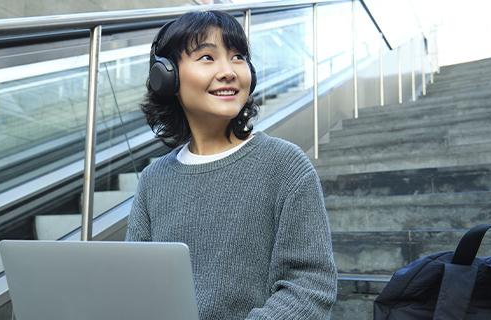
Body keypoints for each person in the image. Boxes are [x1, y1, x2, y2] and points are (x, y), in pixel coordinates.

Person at [125, 10, 337, 320]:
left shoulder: (285, 165)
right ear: (166, 76)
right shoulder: (152, 179)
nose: (229, 71)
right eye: (207, 58)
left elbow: (310, 286)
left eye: (238, 57)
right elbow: (135, 284)